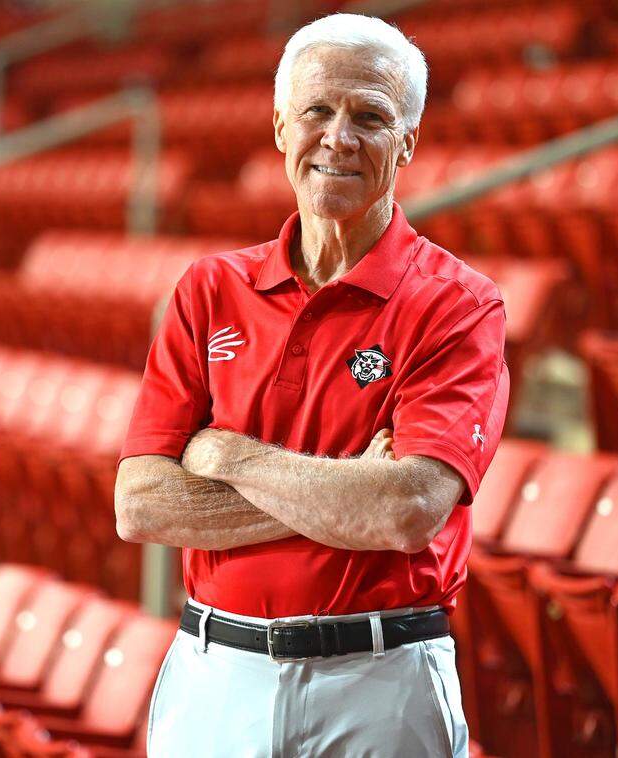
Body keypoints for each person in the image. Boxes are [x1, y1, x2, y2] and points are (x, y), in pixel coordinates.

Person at [115, 13, 509, 757]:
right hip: (216, 674)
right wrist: (345, 493)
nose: (339, 137)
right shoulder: (208, 290)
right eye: (317, 112)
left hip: (380, 682)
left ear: (408, 143)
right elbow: (139, 505)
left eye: (370, 116)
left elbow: (405, 510)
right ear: (279, 128)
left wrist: (232, 458)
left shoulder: (458, 304)